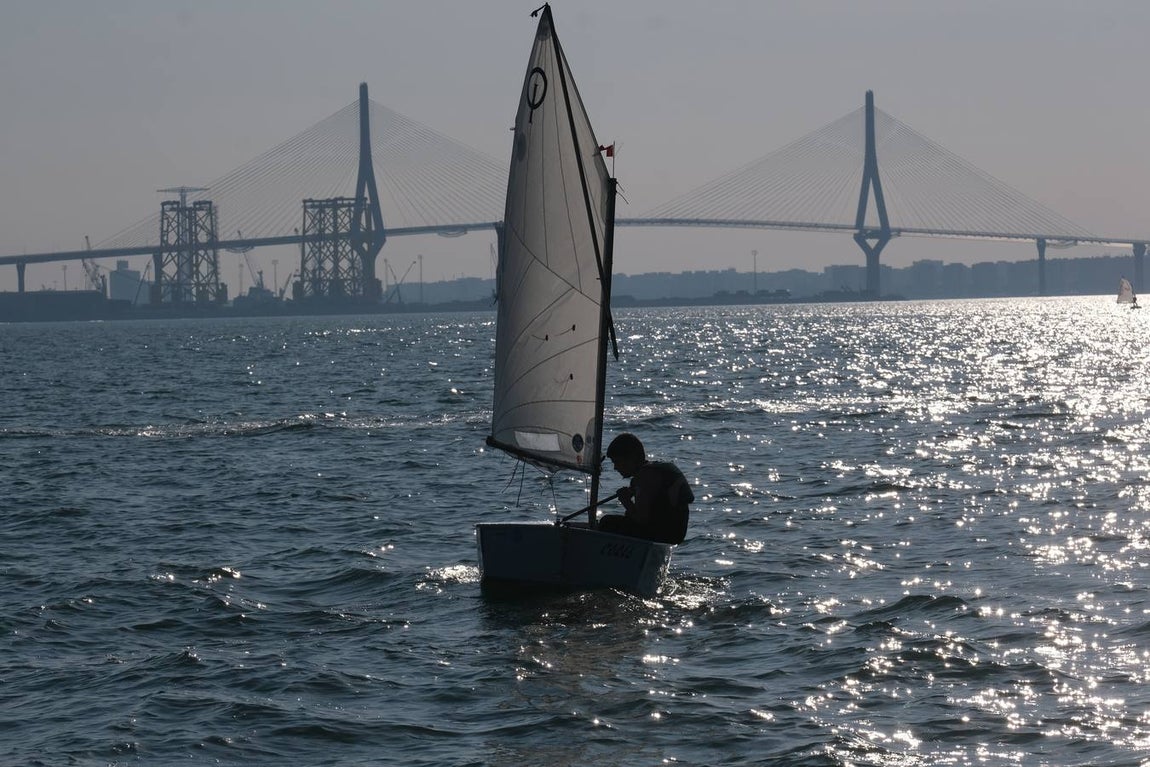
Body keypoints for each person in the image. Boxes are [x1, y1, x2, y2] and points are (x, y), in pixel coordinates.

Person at [597, 433, 693, 544]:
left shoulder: (645, 476)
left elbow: (641, 519)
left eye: (617, 462)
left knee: (607, 522)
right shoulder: (653, 470)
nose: (615, 467)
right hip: (673, 534)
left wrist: (625, 500)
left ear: (631, 458)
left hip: (663, 534)